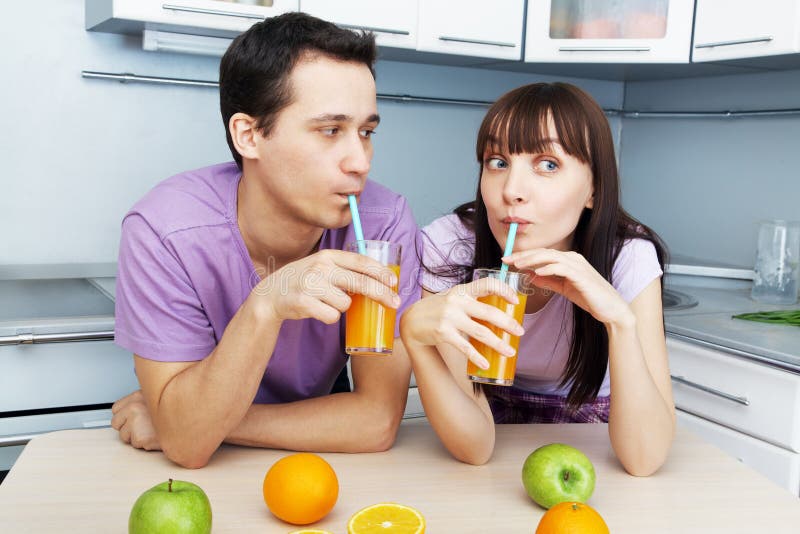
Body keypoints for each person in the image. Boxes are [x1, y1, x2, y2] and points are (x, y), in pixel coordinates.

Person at [110, 12, 421, 468]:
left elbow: (375, 422)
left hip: (314, 468)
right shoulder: (164, 232)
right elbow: (190, 452)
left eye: (366, 132)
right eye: (330, 130)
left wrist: (190, 421)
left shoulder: (382, 225)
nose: (360, 161)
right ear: (249, 135)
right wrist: (267, 303)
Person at [399, 82, 674, 475]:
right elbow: (476, 448)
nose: (511, 191)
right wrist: (415, 337)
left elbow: (644, 460)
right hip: (488, 416)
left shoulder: (626, 257)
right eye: (498, 162)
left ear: (594, 188)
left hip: (596, 429)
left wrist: (619, 321)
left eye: (547, 164)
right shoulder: (451, 245)